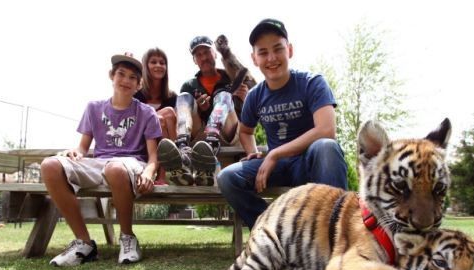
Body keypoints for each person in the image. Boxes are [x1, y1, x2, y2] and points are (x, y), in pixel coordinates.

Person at [217, 19, 348, 229]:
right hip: (277, 167)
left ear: (290, 50)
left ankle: (334, 230)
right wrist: (252, 151)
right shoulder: (255, 96)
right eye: (263, 52)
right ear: (254, 58)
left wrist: (275, 153)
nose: (271, 58)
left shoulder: (312, 83)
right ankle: (273, 230)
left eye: (278, 49)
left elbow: (327, 130)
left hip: (309, 162)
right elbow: (246, 131)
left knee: (327, 147)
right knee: (227, 178)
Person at [40, 52, 161, 266]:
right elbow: (83, 148)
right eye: (121, 74)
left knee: (115, 168)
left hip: (131, 163)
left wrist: (149, 173)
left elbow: (153, 156)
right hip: (98, 163)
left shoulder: (147, 113)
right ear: (111, 76)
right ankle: (84, 243)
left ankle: (127, 237)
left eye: (132, 77)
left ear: (139, 84)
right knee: (50, 165)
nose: (126, 80)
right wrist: (76, 153)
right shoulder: (93, 108)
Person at [157, 35, 249, 186]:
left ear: (215, 53)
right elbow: (187, 112)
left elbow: (256, 107)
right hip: (200, 138)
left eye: (206, 52)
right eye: (198, 55)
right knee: (184, 97)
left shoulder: (231, 76)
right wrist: (199, 110)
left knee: (224, 96)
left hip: (230, 133)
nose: (203, 57)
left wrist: (245, 97)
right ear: (194, 60)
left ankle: (211, 146)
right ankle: (183, 149)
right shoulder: (190, 85)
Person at [135, 47, 177, 185]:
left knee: (167, 116)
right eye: (153, 62)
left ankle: (162, 176)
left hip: (162, 140)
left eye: (162, 62)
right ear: (145, 66)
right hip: (140, 139)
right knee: (162, 117)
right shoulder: (137, 94)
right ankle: (177, 164)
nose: (159, 65)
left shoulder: (171, 97)